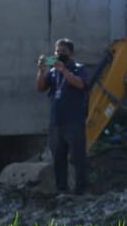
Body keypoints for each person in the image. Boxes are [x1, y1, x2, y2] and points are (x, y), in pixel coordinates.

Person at [35, 38, 90, 194]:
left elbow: (81, 84)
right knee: (58, 158)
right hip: (56, 122)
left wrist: (64, 70)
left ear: (71, 53)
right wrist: (41, 70)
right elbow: (40, 88)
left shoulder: (78, 68)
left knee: (77, 157)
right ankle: (62, 189)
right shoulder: (52, 72)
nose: (59, 54)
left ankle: (81, 190)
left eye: (63, 51)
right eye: (57, 51)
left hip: (74, 121)